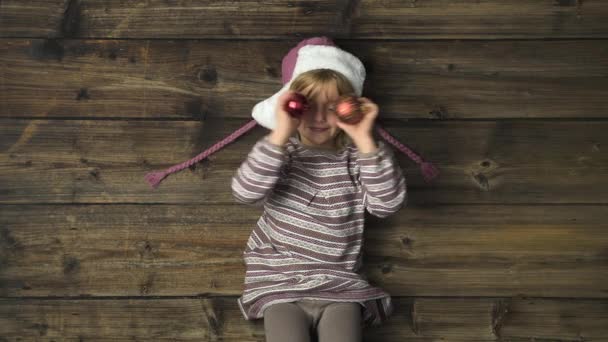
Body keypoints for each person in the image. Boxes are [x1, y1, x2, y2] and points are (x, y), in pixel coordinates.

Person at [231, 37, 407, 342]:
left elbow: (386, 204)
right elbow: (245, 192)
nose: (319, 118)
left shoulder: (358, 160)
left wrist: (364, 139)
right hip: (280, 285)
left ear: (349, 109)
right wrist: (281, 133)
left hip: (340, 287)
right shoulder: (281, 154)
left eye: (332, 108)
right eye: (307, 106)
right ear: (290, 107)